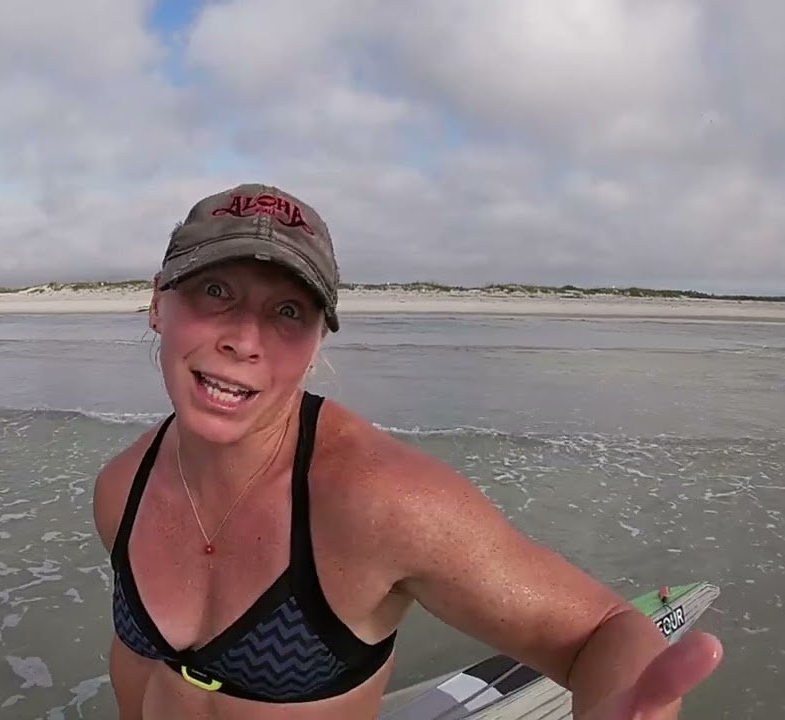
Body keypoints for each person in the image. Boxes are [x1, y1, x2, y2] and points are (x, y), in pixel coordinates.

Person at [91, 183, 723, 720]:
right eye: (215, 292)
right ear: (157, 303)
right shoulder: (123, 487)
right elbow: (137, 665)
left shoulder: (380, 502)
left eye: (287, 310)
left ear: (316, 343)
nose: (245, 340)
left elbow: (603, 633)